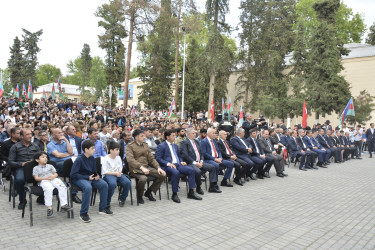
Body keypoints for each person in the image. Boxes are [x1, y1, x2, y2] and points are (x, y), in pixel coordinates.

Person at [70, 140, 112, 223]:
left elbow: (93, 170)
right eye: (92, 148)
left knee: (104, 184)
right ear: (86, 149)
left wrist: (96, 175)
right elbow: (73, 174)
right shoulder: (79, 159)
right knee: (88, 187)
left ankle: (102, 208)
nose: (94, 150)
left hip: (90, 177)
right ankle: (83, 213)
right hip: (79, 178)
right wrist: (87, 177)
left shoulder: (92, 158)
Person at [156, 129, 201, 203]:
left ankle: (191, 192)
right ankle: (174, 194)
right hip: (168, 166)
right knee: (175, 172)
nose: (175, 137)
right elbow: (158, 158)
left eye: (175, 135)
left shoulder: (175, 145)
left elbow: (179, 156)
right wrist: (168, 164)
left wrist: (181, 161)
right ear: (167, 137)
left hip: (177, 164)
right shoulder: (161, 146)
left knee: (191, 170)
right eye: (173, 136)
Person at [126, 129, 166, 204]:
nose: (144, 137)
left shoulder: (145, 145)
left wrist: (158, 167)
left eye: (143, 135)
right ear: (136, 138)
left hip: (146, 167)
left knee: (162, 175)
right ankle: (139, 196)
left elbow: (151, 158)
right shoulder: (130, 146)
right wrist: (141, 167)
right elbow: (130, 160)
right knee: (143, 179)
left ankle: (148, 192)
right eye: (142, 136)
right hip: (135, 169)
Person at [8, 128, 41, 209]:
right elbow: (10, 162)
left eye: (30, 134)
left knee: (46, 176)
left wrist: (36, 160)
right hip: (21, 167)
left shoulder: (35, 146)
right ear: (21, 136)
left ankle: (42, 197)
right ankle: (22, 200)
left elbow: (42, 157)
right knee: (19, 179)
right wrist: (22, 163)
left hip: (35, 167)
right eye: (27, 134)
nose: (30, 136)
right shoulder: (15, 147)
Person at [32, 151, 71, 217]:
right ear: (37, 160)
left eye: (46, 157)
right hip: (44, 181)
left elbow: (56, 174)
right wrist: (45, 178)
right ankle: (49, 207)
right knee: (49, 189)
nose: (45, 158)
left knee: (62, 186)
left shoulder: (50, 166)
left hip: (53, 179)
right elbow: (36, 178)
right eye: (43, 157)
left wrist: (53, 176)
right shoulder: (35, 168)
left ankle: (64, 205)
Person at [180, 128, 218, 194]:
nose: (195, 135)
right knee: (198, 171)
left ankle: (212, 187)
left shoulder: (197, 141)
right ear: (188, 135)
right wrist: (195, 163)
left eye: (195, 133)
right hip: (191, 163)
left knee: (212, 167)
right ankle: (198, 187)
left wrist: (201, 161)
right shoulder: (184, 142)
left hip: (199, 162)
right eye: (193, 133)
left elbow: (201, 153)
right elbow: (186, 156)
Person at [101, 142, 131, 207]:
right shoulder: (105, 159)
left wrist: (119, 172)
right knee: (112, 184)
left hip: (118, 173)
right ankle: (107, 201)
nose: (119, 151)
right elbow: (104, 171)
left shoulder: (118, 157)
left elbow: (120, 167)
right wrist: (116, 173)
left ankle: (122, 199)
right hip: (109, 174)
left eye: (119, 150)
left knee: (127, 182)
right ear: (111, 150)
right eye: (117, 150)